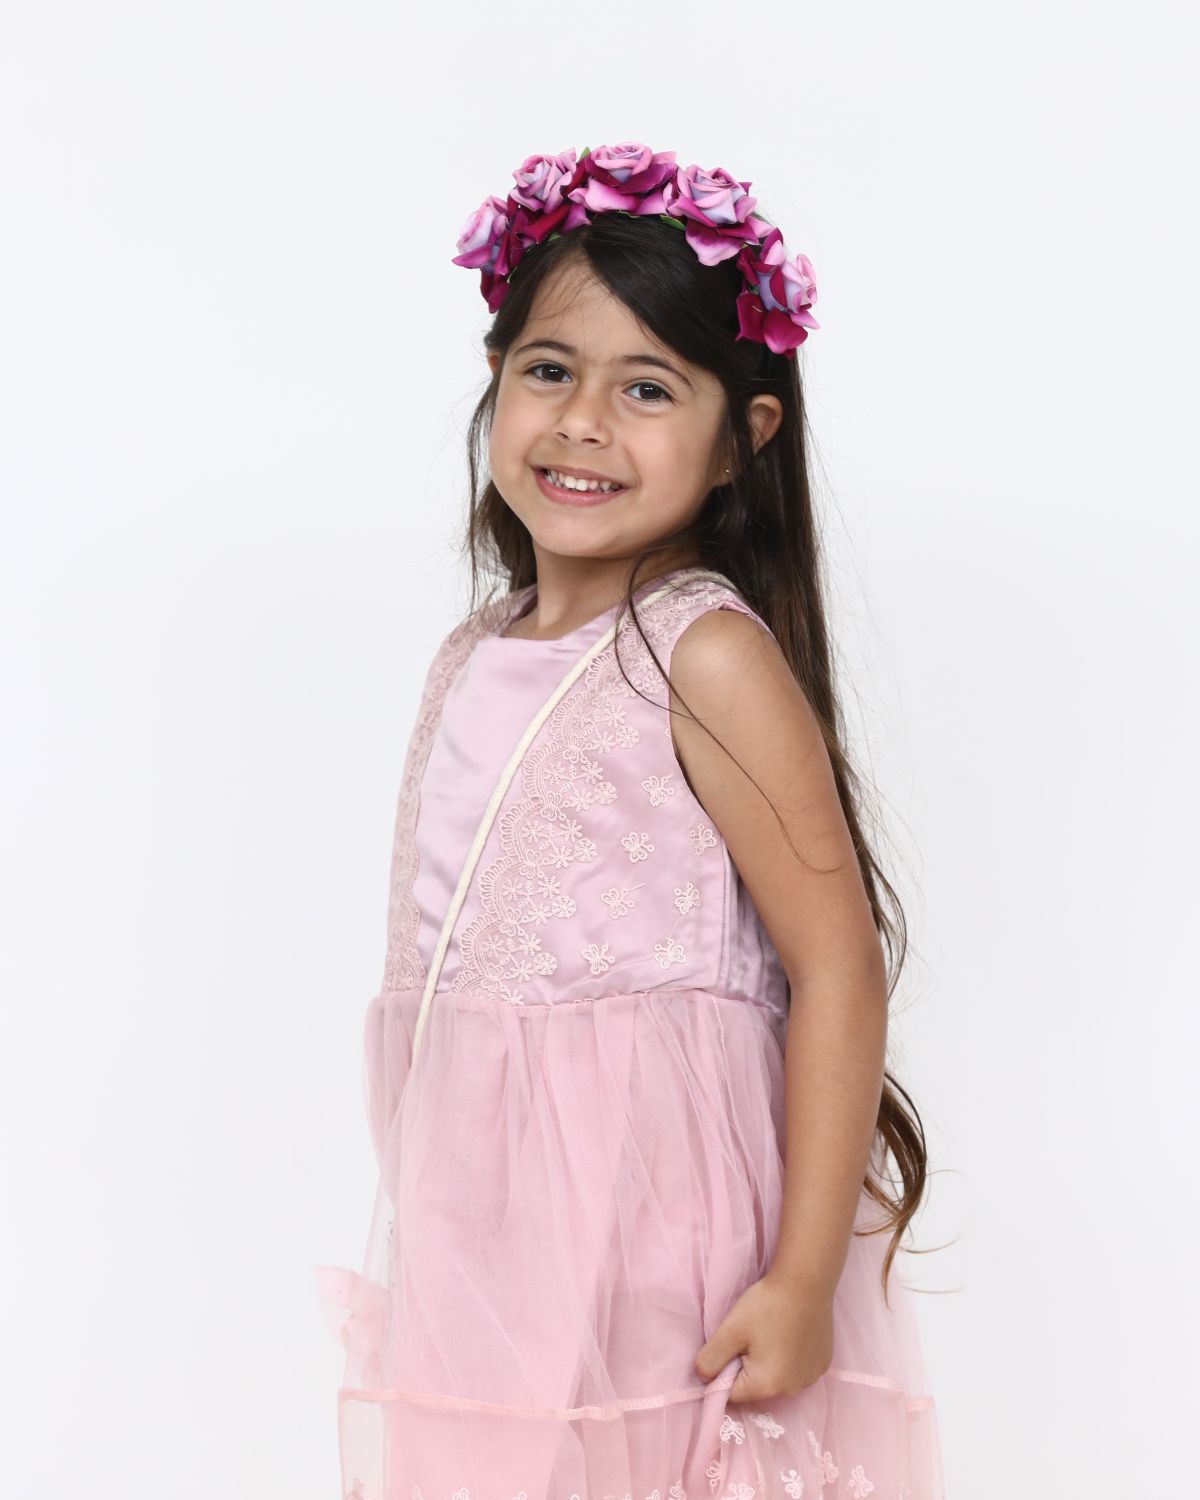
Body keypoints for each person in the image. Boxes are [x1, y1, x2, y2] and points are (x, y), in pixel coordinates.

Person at [317, 141, 947, 1500]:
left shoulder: (699, 653)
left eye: (648, 387)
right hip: (492, 1238)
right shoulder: (471, 652)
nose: (584, 422)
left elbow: (837, 965)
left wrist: (801, 1278)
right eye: (550, 370)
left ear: (743, 438)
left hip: (664, 1236)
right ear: (495, 380)